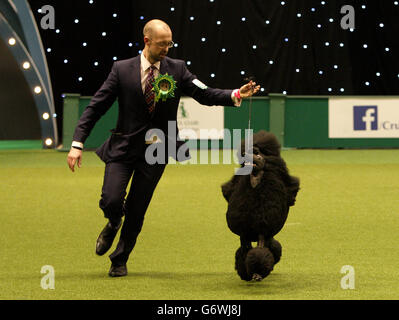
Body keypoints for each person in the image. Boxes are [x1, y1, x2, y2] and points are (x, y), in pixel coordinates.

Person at [67, 19, 260, 277]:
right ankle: (113, 221)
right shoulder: (121, 69)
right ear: (146, 41)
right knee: (112, 200)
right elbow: (96, 107)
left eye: (170, 43)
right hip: (123, 148)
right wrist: (77, 143)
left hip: (156, 152)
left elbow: (204, 93)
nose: (167, 48)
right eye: (162, 44)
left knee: (137, 209)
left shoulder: (177, 69)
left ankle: (120, 259)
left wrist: (235, 94)